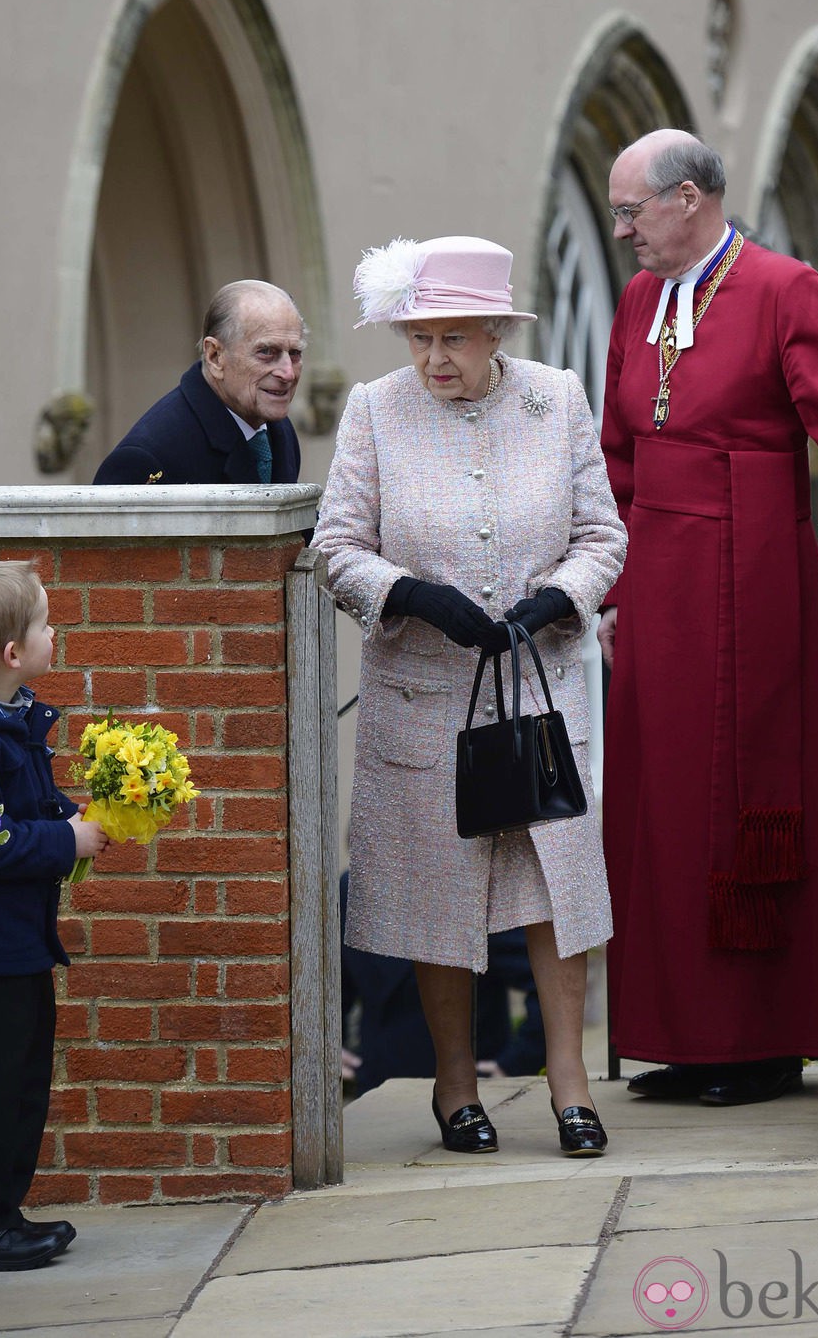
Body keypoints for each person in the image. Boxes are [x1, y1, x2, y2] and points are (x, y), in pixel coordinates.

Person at [597, 129, 818, 1107]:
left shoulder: (782, 288)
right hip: (653, 587)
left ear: (687, 198)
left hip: (747, 580)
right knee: (661, 805)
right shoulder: (639, 299)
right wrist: (607, 587)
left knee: (738, 794)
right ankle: (678, 1037)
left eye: (629, 211)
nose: (619, 233)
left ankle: (758, 1042)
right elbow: (614, 456)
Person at [313, 235, 626, 1156]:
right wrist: (411, 595)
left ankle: (568, 1083)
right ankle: (455, 1089)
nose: (433, 359)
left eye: (453, 338)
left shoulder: (554, 398)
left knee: (550, 889)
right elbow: (337, 546)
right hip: (423, 695)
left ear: (496, 330)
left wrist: (557, 597)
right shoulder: (375, 411)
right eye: (418, 338)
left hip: (540, 691)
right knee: (435, 893)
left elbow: (603, 536)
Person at [0, 560, 111, 1272]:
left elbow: (21, 809)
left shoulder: (6, 717)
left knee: (20, 1078)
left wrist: (70, 817)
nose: (53, 630)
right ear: (11, 652)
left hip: (17, 942)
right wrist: (65, 840)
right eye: (44, 621)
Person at [340, 869, 546, 1095]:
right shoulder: (350, 890)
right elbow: (334, 988)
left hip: (474, 1095)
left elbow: (542, 983)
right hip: (378, 1092)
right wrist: (325, 1050)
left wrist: (513, 1065)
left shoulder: (471, 891)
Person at [93, 280, 303, 485]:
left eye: (294, 353)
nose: (288, 373)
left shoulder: (277, 428)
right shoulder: (145, 459)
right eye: (266, 352)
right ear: (215, 356)